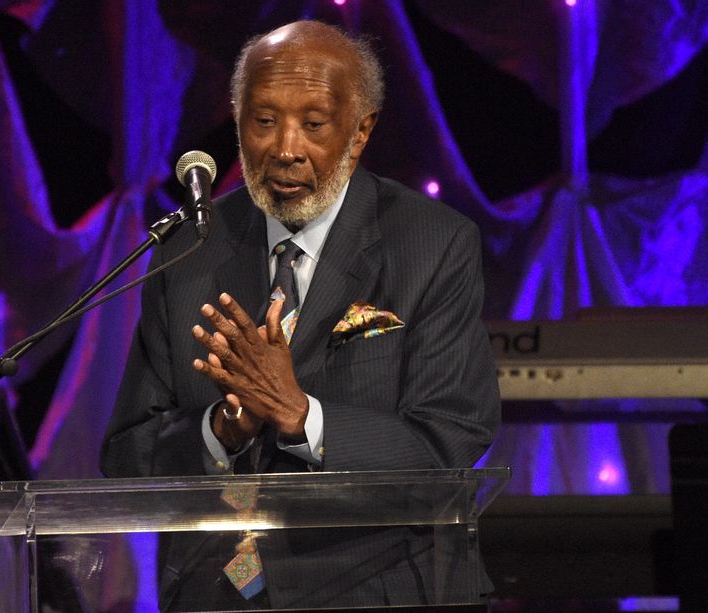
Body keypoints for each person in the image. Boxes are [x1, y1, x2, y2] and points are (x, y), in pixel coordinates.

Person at [101, 20, 500, 611]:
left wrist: (300, 416)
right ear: (237, 121)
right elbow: (127, 456)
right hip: (220, 596)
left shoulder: (433, 243)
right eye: (263, 121)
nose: (285, 148)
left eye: (313, 125)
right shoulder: (188, 252)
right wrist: (219, 432)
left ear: (360, 130)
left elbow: (450, 440)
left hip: (382, 592)